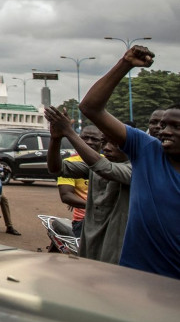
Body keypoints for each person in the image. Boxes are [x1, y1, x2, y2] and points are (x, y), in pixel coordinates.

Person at [78, 45, 180, 279]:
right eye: (164, 125)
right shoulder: (148, 150)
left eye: (176, 126)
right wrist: (125, 64)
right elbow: (90, 107)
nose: (164, 131)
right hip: (134, 277)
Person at [44, 107, 132, 264]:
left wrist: (69, 132)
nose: (107, 148)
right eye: (105, 142)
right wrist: (56, 138)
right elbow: (56, 168)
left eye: (115, 144)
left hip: (118, 241)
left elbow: (105, 169)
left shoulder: (133, 168)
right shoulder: (96, 166)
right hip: (91, 236)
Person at [55, 128, 93, 239]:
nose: (89, 142)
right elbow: (66, 195)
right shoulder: (70, 163)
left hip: (107, 219)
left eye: (94, 139)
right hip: (83, 220)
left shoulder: (108, 162)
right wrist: (94, 206)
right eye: (85, 138)